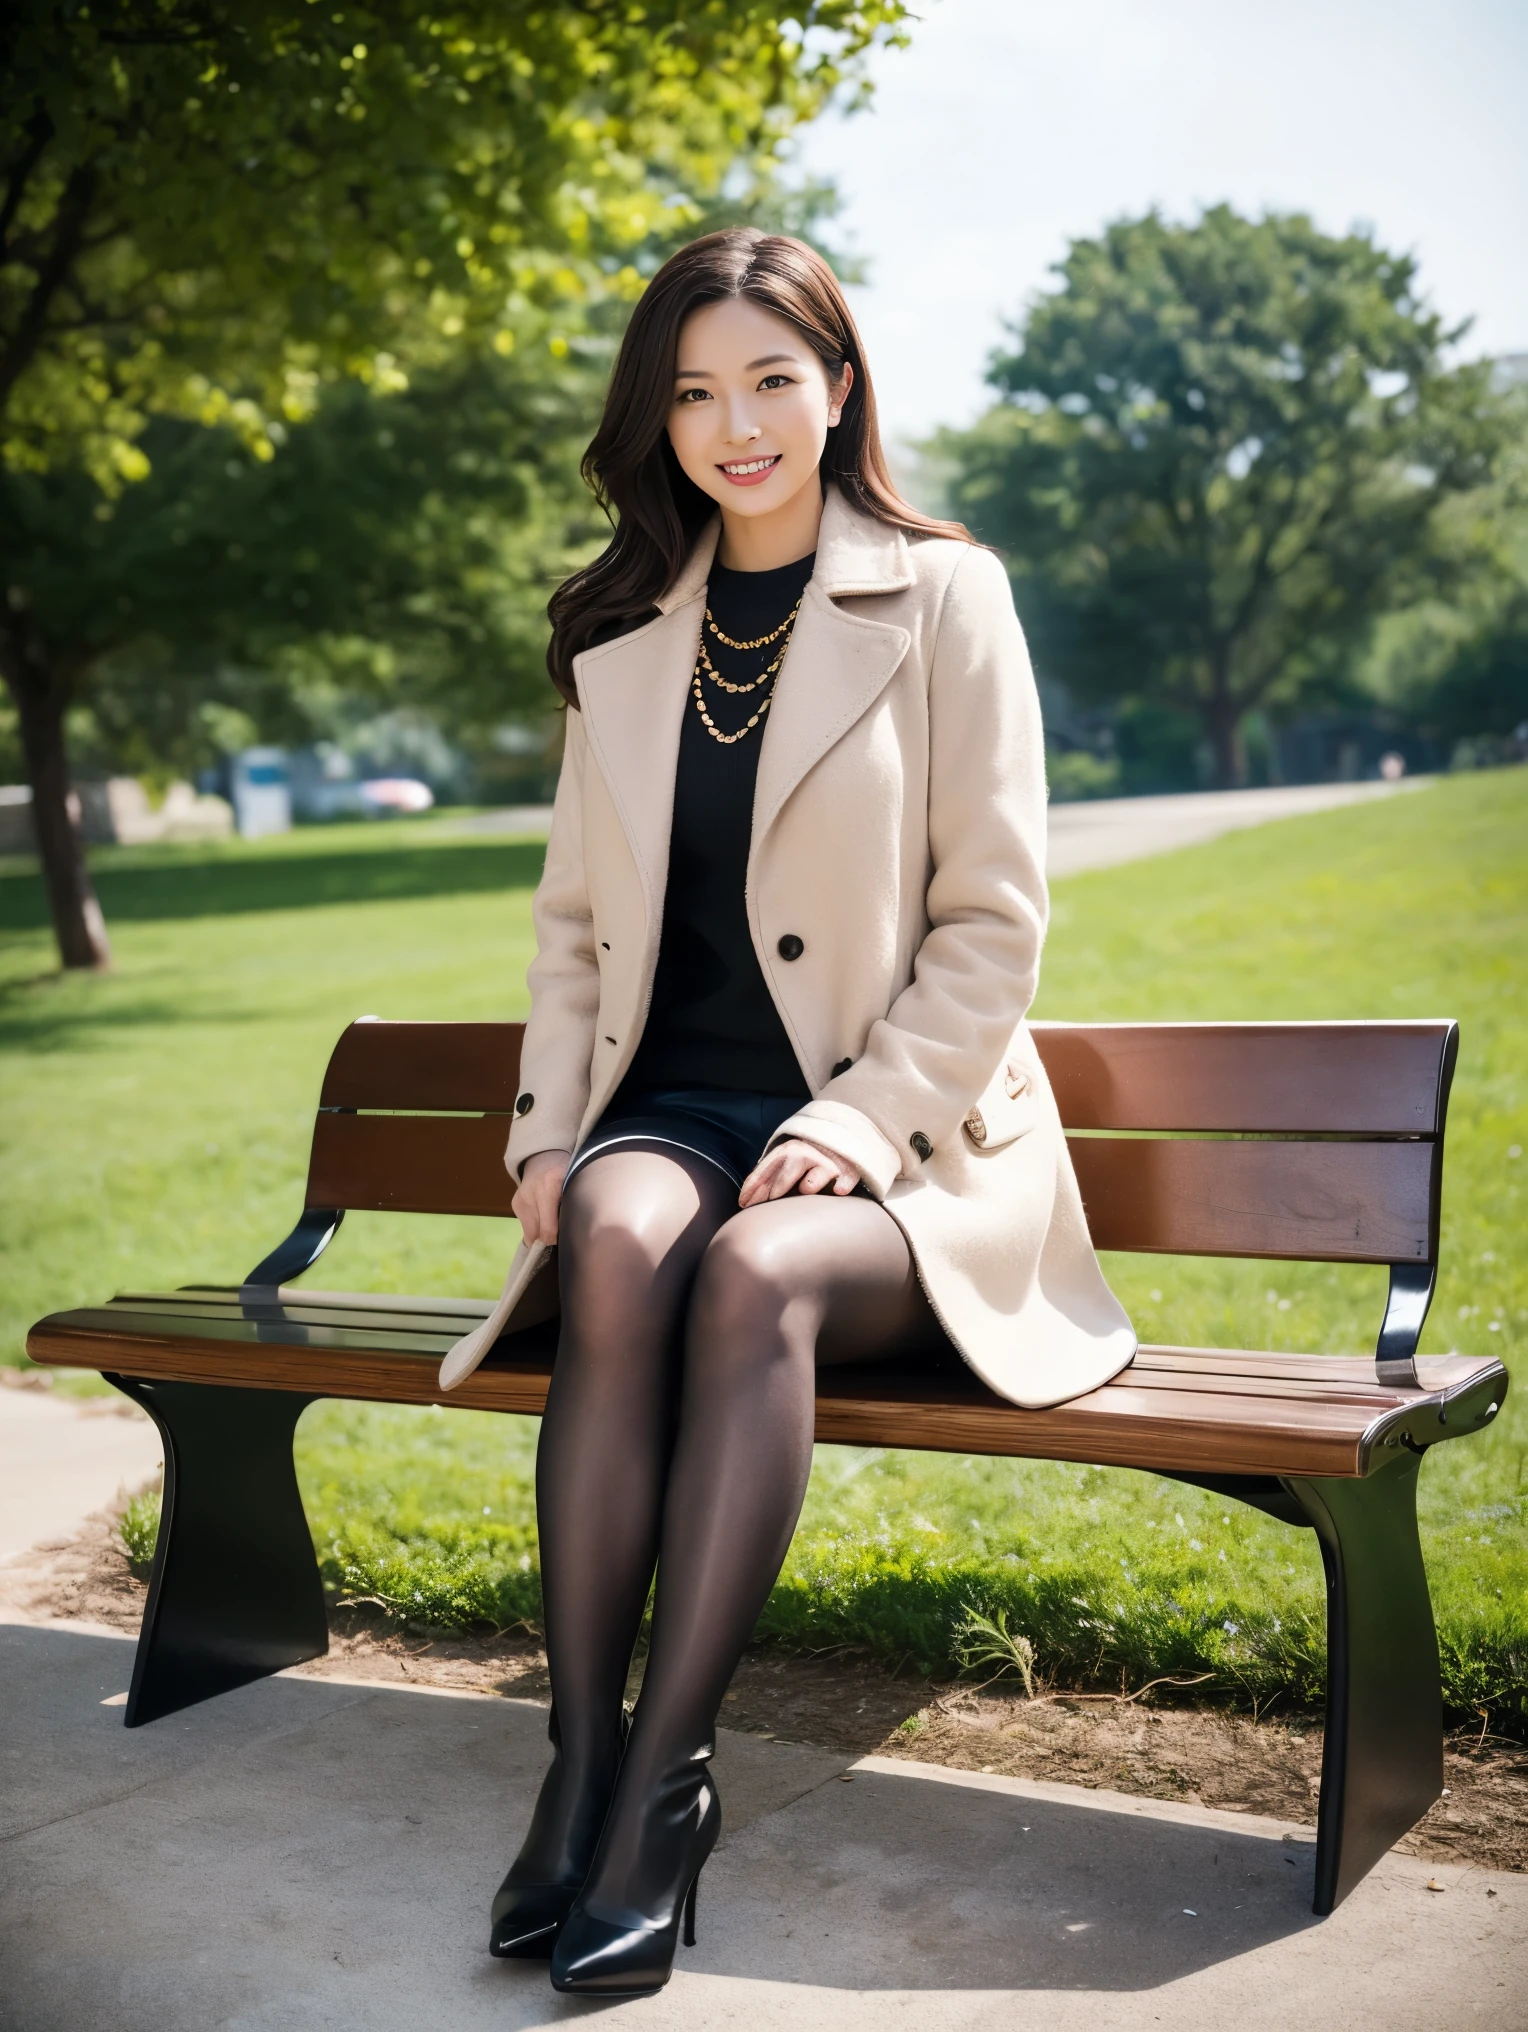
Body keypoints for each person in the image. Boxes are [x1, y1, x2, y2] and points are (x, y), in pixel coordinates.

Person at [462, 228, 1135, 1997]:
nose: (734, 423)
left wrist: (867, 1115)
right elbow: (569, 929)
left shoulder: (943, 596)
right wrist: (547, 1132)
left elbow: (997, 922)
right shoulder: (622, 634)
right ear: (656, 421)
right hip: (669, 1110)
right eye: (692, 391)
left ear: (839, 389)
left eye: (770, 379)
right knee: (615, 1237)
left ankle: (667, 1785)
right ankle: (578, 1762)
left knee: (757, 1275)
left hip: (906, 1155)